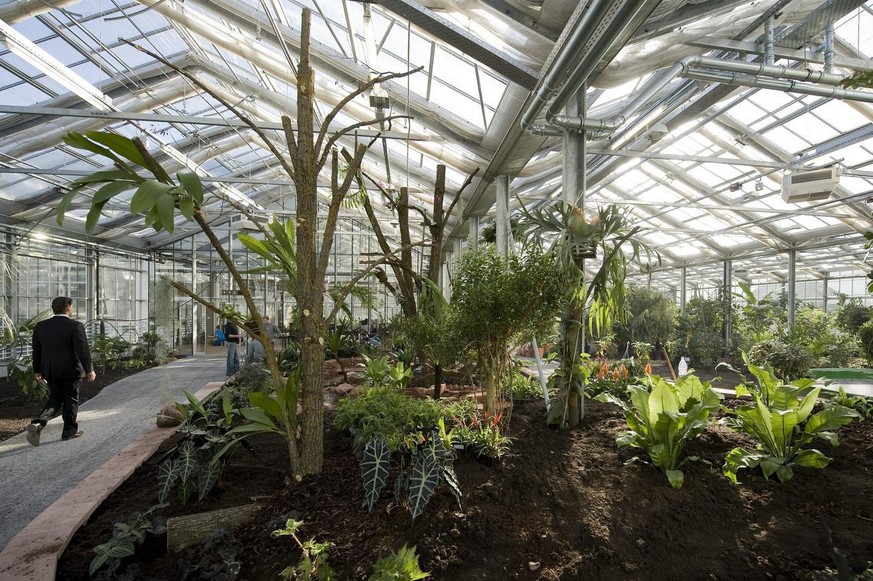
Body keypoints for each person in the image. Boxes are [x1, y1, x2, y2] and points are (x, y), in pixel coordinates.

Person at [26, 296, 96, 445]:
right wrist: (89, 369)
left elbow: (36, 350)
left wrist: (37, 370)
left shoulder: (41, 326)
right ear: (68, 307)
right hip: (71, 369)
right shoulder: (75, 325)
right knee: (71, 398)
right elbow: (82, 349)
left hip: (50, 369)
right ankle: (68, 432)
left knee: (55, 398)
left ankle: (39, 423)